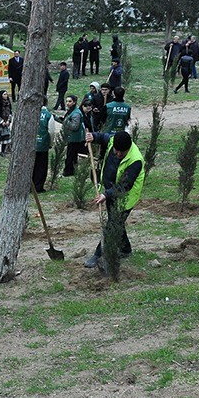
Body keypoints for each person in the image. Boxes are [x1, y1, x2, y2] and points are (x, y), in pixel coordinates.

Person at [83, 131, 145, 272]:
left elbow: (125, 185)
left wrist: (106, 194)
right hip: (110, 191)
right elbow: (103, 137)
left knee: (112, 225)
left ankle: (98, 255)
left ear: (128, 149)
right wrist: (94, 137)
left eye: (121, 153)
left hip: (125, 198)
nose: (117, 154)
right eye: (116, 151)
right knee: (116, 222)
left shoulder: (136, 160)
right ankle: (126, 249)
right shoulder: (113, 140)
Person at [54, 95, 86, 176]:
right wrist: (57, 118)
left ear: (74, 102)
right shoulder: (71, 111)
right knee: (72, 155)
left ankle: (68, 171)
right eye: (67, 101)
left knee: (71, 155)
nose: (67, 103)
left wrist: (65, 121)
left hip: (74, 138)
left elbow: (74, 126)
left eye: (70, 101)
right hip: (72, 137)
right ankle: (72, 170)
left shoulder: (76, 113)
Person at [32, 100, 52, 193]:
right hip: (43, 144)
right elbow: (51, 131)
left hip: (31, 144)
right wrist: (50, 143)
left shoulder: (30, 112)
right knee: (41, 166)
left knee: (32, 165)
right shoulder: (48, 115)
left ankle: (30, 186)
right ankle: (38, 187)